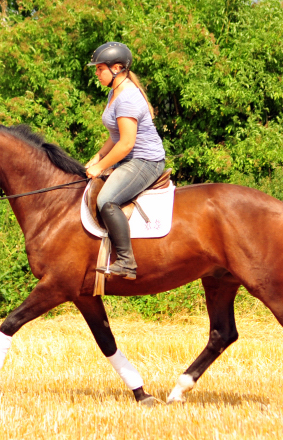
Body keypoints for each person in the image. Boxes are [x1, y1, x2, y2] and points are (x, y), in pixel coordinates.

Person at [85, 42, 166, 280]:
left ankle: (127, 262)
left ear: (117, 68)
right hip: (128, 157)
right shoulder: (114, 91)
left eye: (100, 69)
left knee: (107, 200)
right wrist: (98, 157)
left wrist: (101, 167)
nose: (97, 73)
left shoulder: (127, 98)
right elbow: (115, 136)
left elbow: (127, 143)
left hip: (145, 161)